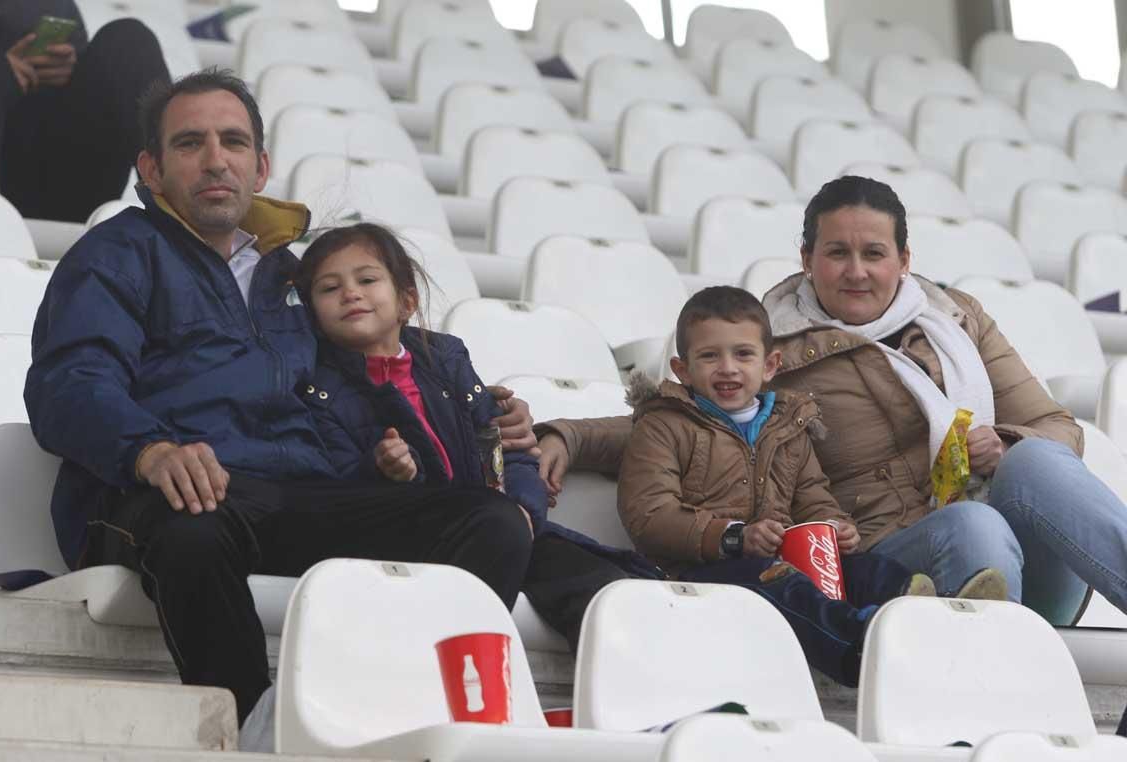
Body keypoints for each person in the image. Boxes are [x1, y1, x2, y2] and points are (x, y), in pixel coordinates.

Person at [25, 69, 537, 731]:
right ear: (150, 169)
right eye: (190, 144)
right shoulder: (117, 255)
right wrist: (150, 450)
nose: (216, 159)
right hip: (172, 492)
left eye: (233, 142)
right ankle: (253, 733)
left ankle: (380, 712)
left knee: (486, 523)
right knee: (193, 534)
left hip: (305, 491)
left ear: (260, 165)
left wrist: (497, 414)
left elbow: (388, 356)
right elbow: (70, 383)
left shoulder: (299, 273)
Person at [538, 175, 1127, 626]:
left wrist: (1006, 443)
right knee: (971, 525)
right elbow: (681, 426)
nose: (856, 271)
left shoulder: (957, 317)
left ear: (903, 261)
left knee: (1038, 458)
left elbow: (1057, 426)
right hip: (887, 559)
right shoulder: (766, 347)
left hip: (1027, 555)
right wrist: (569, 433)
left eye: (874, 254)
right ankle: (986, 695)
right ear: (806, 259)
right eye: (836, 253)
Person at [617, 285, 1004, 685]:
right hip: (700, 576)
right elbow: (649, 515)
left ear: (770, 365)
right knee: (778, 582)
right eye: (710, 356)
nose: (728, 368)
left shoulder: (787, 425)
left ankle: (936, 619)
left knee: (868, 570)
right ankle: (866, 644)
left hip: (783, 558)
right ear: (682, 370)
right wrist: (732, 537)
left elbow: (812, 495)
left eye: (743, 354)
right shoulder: (663, 426)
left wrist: (834, 526)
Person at [292, 222, 643, 651]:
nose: (350, 293)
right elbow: (336, 488)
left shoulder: (445, 359)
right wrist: (384, 471)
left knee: (607, 591)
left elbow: (509, 449)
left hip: (503, 528)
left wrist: (526, 511)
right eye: (330, 289)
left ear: (407, 300)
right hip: (421, 541)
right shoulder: (318, 388)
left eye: (367, 280)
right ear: (311, 314)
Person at [0, 1, 168, 221]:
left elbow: (99, 83)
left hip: (56, 175)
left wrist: (68, 66)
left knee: (129, 40)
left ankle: (175, 207)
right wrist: (0, 71)